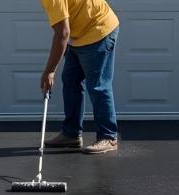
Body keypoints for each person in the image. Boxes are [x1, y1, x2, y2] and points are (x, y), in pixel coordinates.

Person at [39, 0, 120, 154]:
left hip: (99, 29)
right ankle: (71, 134)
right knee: (71, 81)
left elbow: (63, 33)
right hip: (79, 35)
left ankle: (108, 136)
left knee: (98, 86)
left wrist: (50, 71)